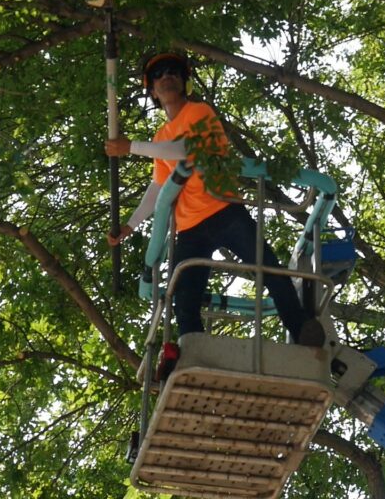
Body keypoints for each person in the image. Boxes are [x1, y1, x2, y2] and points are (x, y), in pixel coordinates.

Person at [104, 52, 325, 347]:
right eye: (158, 75)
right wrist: (130, 225)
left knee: (269, 270)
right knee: (184, 296)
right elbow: (158, 187)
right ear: (152, 91)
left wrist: (129, 147)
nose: (166, 77)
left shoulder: (199, 112)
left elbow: (186, 150)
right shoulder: (159, 138)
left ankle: (302, 331)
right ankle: (191, 350)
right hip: (190, 227)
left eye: (173, 72)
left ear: (184, 82)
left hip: (225, 211)